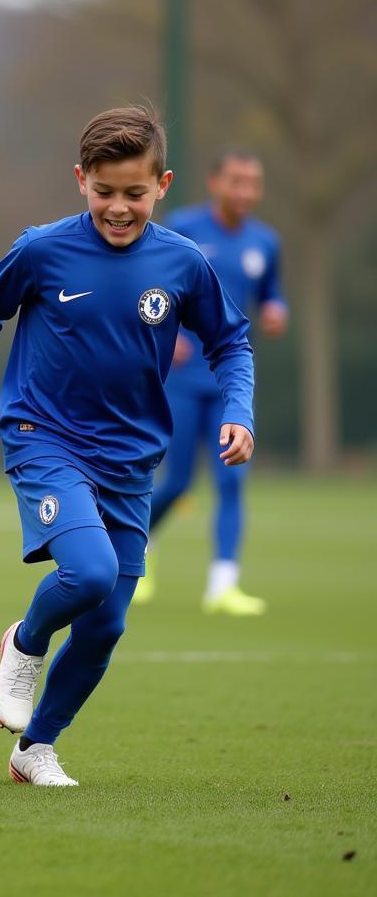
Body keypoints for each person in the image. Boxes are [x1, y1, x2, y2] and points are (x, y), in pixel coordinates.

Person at [0, 107, 255, 787]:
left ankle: (35, 750)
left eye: (134, 194)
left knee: (106, 625)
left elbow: (231, 342)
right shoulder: (42, 249)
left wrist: (239, 410)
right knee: (88, 572)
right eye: (104, 191)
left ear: (162, 184)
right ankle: (24, 644)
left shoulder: (182, 261)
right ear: (80, 181)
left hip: (131, 460)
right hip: (43, 437)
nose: (118, 207)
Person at [134, 151, 287, 615]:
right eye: (236, 181)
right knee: (176, 482)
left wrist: (276, 309)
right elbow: (148, 287)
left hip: (229, 383)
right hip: (180, 381)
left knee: (231, 482)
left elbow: (269, 294)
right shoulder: (183, 228)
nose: (245, 192)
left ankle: (223, 584)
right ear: (214, 181)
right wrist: (165, 334)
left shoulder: (266, 242)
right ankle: (139, 551)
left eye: (253, 183)